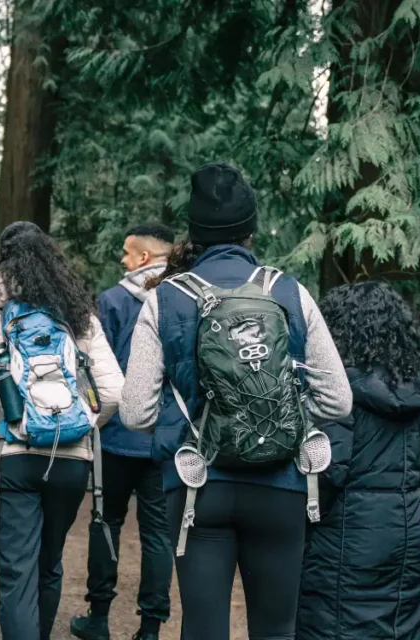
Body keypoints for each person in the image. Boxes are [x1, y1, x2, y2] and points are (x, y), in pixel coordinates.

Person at [118, 162, 353, 640]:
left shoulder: (165, 299)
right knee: (276, 629)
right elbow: (338, 400)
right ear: (250, 230)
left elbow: (135, 410)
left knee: (203, 629)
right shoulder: (289, 291)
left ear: (195, 233)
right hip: (281, 482)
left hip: (197, 485)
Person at [0, 222, 124, 640]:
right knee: (49, 563)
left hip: (11, 460)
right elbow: (114, 392)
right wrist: (81, 427)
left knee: (17, 573)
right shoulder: (77, 316)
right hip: (70, 460)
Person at [297, 282, 420, 640]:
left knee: (334, 622)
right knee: (403, 623)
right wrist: (402, 491)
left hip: (342, 530)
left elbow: (329, 470)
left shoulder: (335, 391)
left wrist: (312, 515)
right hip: (406, 529)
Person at [71, 223, 175, 640]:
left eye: (128, 253)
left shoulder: (112, 302)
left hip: (115, 437)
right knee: (158, 537)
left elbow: (92, 370)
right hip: (164, 439)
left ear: (145, 258)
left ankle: (98, 619)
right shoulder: (182, 300)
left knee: (105, 522)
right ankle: (150, 628)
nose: (122, 260)